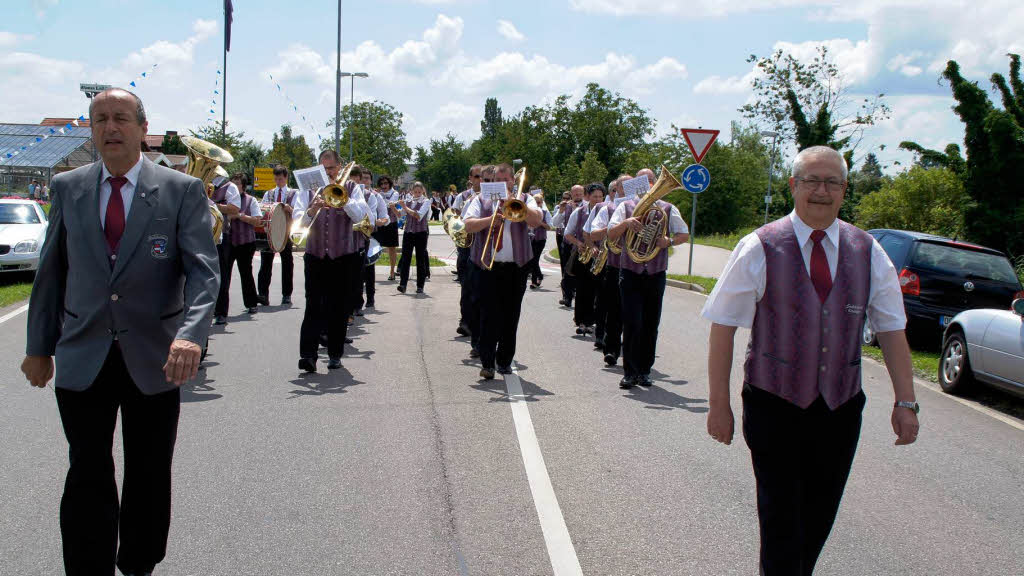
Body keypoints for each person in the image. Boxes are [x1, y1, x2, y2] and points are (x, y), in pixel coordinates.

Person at [21, 87, 219, 576]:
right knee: (86, 467)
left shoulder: (180, 190)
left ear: (140, 128)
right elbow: (51, 274)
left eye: (121, 119)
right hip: (82, 354)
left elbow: (203, 273)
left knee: (149, 471)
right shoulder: (68, 187)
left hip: (155, 357)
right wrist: (38, 347)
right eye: (100, 119)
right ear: (90, 129)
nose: (110, 128)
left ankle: (137, 563)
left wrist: (191, 335)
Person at [701, 146, 919, 576]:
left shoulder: (868, 250)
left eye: (832, 182)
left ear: (844, 189)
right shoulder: (759, 246)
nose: (822, 191)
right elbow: (723, 327)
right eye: (812, 181)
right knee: (781, 520)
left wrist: (906, 401)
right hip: (773, 406)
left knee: (818, 519)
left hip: (839, 410)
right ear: (793, 186)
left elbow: (893, 330)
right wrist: (718, 404)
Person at [607, 169, 689, 388]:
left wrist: (668, 242)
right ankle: (630, 372)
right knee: (632, 322)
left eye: (652, 181)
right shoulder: (625, 207)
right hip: (631, 272)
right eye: (644, 181)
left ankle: (644, 370)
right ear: (636, 184)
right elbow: (610, 234)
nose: (649, 184)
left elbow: (684, 234)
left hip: (655, 273)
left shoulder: (668, 209)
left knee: (651, 323)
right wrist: (626, 224)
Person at [462, 163, 544, 379]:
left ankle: (505, 360)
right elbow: (468, 225)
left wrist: (515, 205)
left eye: (508, 179)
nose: (504, 182)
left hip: (516, 267)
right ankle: (488, 362)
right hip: (488, 266)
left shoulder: (525, 199)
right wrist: (490, 220)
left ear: (513, 181)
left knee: (511, 315)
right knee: (489, 315)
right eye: (499, 179)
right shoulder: (480, 200)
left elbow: (537, 221)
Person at [298, 152, 369, 372]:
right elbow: (298, 221)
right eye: (324, 168)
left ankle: (335, 354)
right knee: (313, 305)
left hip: (343, 256)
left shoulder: (352, 187)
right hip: (316, 254)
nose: (328, 173)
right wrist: (312, 209)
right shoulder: (309, 190)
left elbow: (361, 216)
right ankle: (308, 355)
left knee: (339, 307)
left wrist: (343, 200)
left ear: (339, 167)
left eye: (331, 168)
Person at [588, 175, 628, 366]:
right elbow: (593, 232)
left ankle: (633, 354)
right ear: (615, 190)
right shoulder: (606, 208)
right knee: (613, 309)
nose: (626, 189)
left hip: (637, 267)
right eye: (621, 186)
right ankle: (611, 348)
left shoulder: (647, 208)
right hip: (613, 263)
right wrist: (614, 228)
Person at [257, 165, 301, 306]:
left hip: (286, 232)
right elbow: (262, 210)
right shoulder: (268, 193)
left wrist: (291, 209)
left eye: (280, 179)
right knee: (265, 263)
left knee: (287, 264)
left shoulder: (294, 193)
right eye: (276, 179)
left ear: (286, 178)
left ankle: (286, 295)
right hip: (270, 232)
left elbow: (299, 213)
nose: (278, 182)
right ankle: (263, 294)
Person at [564, 183, 604, 335]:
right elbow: (568, 233)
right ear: (587, 197)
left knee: (597, 290)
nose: (598, 199)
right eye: (595, 196)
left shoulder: (606, 211)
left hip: (601, 255)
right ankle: (581, 321)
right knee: (583, 289)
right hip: (584, 255)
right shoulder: (580, 212)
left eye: (601, 196)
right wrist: (579, 243)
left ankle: (592, 320)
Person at [223, 173, 262, 315]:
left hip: (246, 242)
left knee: (246, 273)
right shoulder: (226, 201)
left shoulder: (251, 200)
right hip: (228, 241)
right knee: (224, 275)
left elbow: (257, 220)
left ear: (243, 186)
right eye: (232, 183)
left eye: (238, 184)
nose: (234, 186)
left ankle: (252, 303)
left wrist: (240, 216)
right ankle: (220, 310)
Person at [454, 165, 482, 339]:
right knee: (466, 287)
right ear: (470, 178)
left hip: (483, 247)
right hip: (466, 247)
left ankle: (477, 324)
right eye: (477, 176)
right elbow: (455, 220)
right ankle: (465, 322)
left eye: (483, 177)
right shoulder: (461, 196)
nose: (480, 180)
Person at [210, 172, 242, 325]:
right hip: (198, 233)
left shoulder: (230, 187)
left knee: (222, 274)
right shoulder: (199, 181)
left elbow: (235, 208)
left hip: (221, 235)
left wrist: (213, 206)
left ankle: (221, 312)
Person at [397, 181, 432, 294]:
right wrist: (393, 207)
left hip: (421, 233)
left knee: (420, 259)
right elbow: (399, 215)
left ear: (422, 191)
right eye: (415, 191)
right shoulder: (408, 201)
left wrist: (404, 207)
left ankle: (420, 285)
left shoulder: (426, 201)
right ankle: (403, 284)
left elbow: (418, 216)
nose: (417, 193)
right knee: (405, 258)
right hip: (408, 232)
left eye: (419, 192)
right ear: (412, 191)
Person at [552, 184, 584, 307]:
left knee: (581, 271)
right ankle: (567, 297)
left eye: (580, 193)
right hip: (568, 243)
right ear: (571, 194)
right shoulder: (566, 206)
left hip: (582, 244)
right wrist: (561, 211)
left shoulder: (587, 206)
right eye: (575, 193)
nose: (577, 196)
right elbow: (554, 223)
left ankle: (578, 294)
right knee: (566, 270)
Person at [375, 176, 401, 281]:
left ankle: (392, 271)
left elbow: (390, 204)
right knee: (373, 246)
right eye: (381, 184)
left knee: (392, 248)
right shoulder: (378, 194)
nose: (383, 186)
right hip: (380, 222)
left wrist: (378, 196)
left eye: (385, 183)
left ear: (389, 184)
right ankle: (370, 272)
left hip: (391, 222)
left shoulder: (394, 193)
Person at [526, 186, 552, 289]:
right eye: (535, 202)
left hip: (540, 239)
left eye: (539, 202)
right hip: (530, 238)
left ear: (542, 203)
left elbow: (549, 227)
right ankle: (537, 277)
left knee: (534, 259)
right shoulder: (529, 212)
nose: (537, 204)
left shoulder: (545, 212)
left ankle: (535, 279)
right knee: (532, 259)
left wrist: (540, 222)